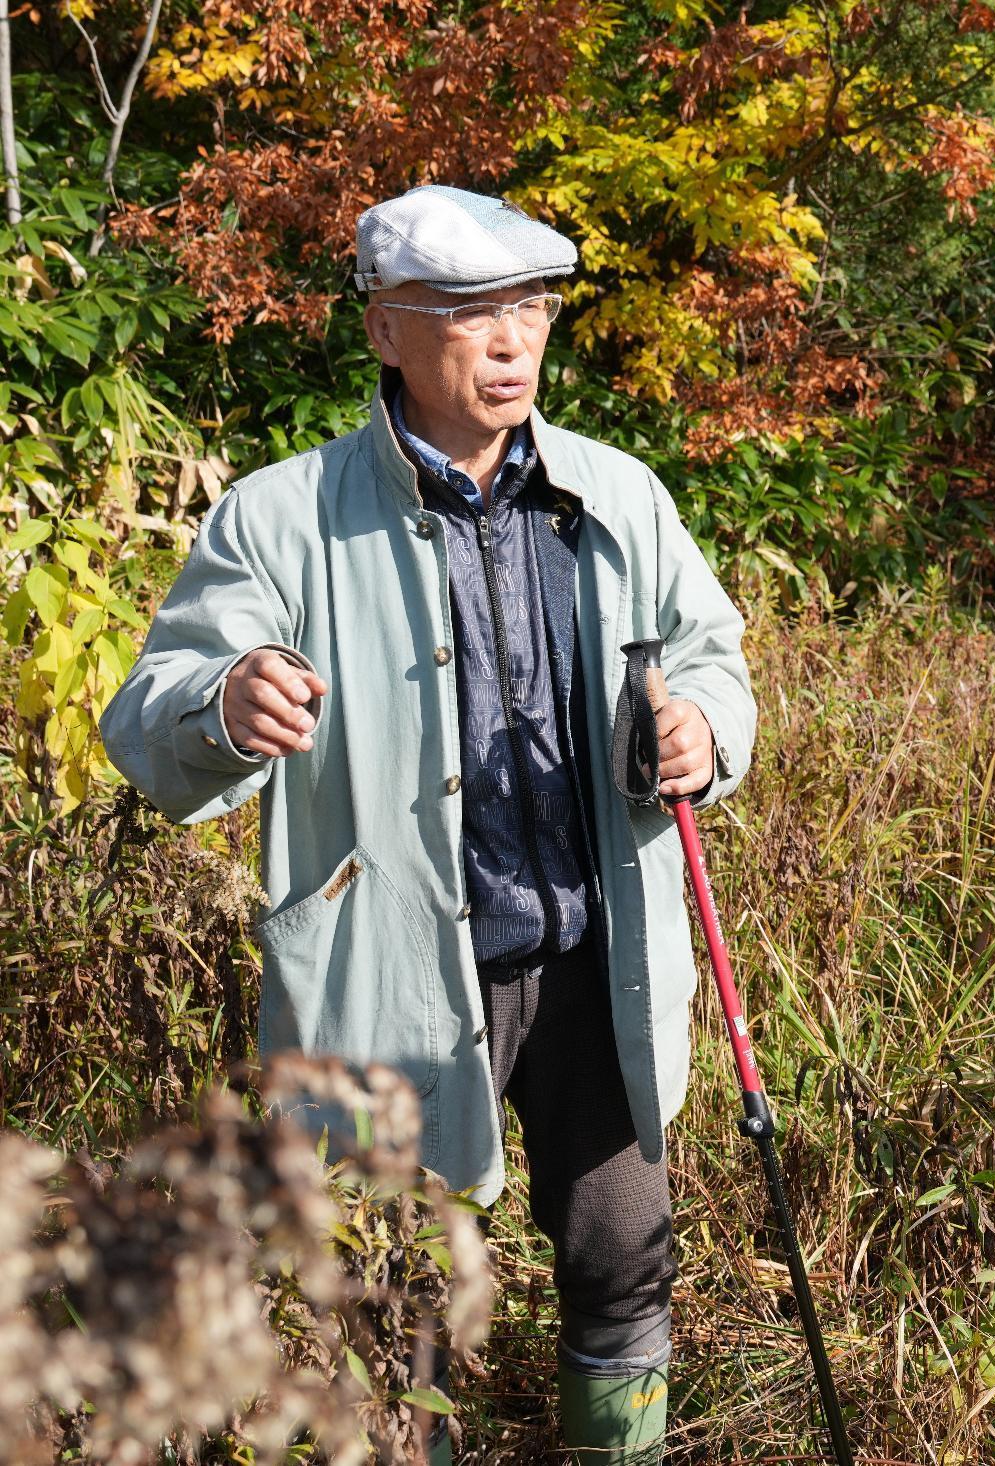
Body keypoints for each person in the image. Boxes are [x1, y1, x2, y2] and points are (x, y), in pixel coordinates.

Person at [99, 185, 757, 1464]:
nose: (510, 340)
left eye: (530, 307)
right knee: (395, 1301)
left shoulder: (615, 492)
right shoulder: (282, 515)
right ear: (385, 331)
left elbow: (711, 654)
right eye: (468, 311)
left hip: (593, 959)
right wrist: (226, 702)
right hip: (386, 974)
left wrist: (705, 732)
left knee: (625, 1261)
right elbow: (152, 711)